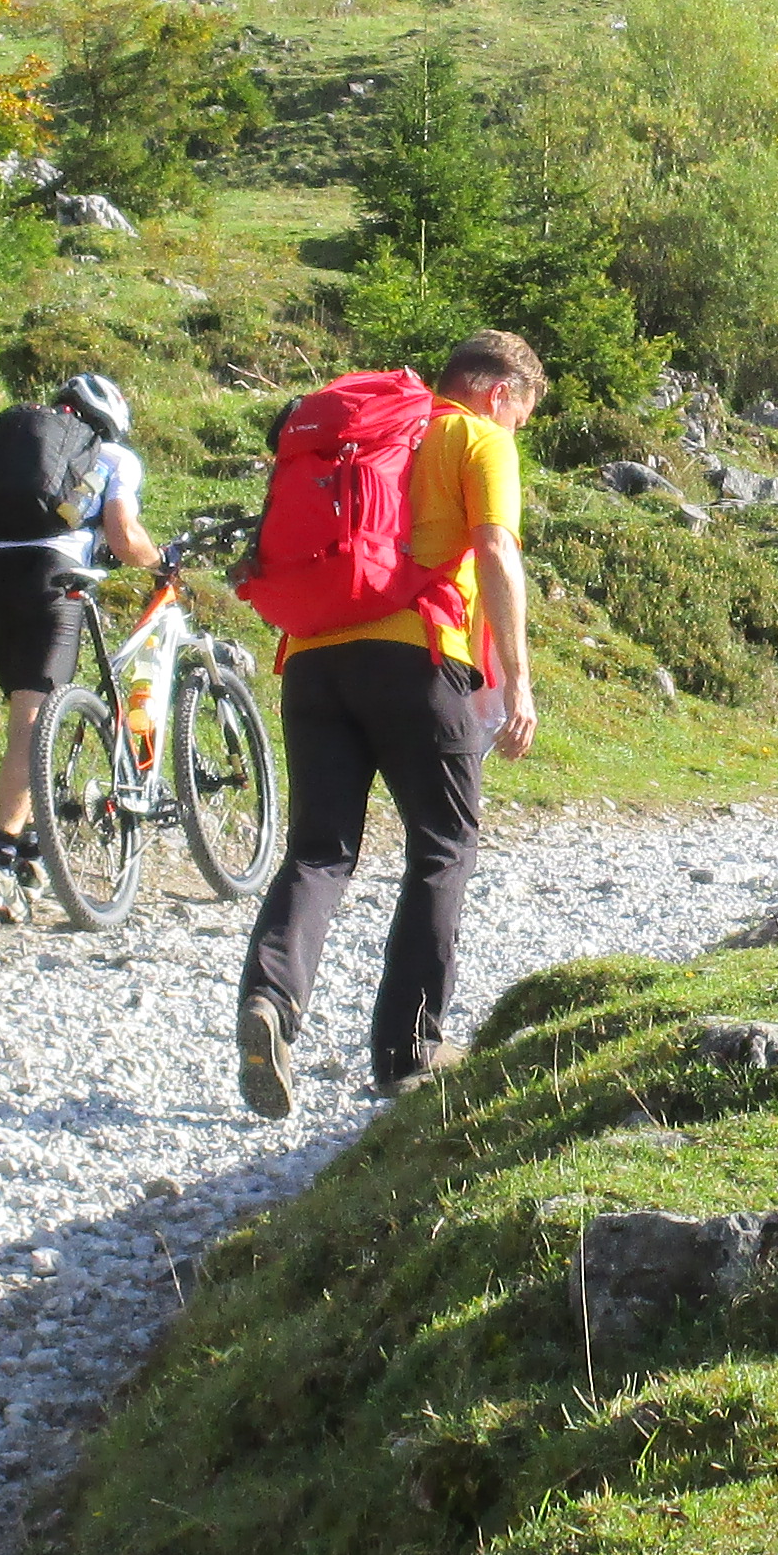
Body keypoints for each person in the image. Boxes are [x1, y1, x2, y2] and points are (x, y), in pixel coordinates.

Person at [233, 329, 542, 1118]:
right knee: (443, 846)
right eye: (520, 419)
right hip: (415, 656)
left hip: (309, 659)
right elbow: (497, 554)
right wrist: (518, 683)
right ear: (499, 393)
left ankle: (271, 999)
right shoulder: (474, 436)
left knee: (320, 849)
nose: (515, 434)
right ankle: (409, 1049)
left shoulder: (368, 432)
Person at [0, 371, 153, 913]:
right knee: (32, 726)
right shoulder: (113, 458)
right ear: (110, 420)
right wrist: (159, 561)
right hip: (53, 579)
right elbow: (123, 535)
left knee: (25, 718)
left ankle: (29, 852)